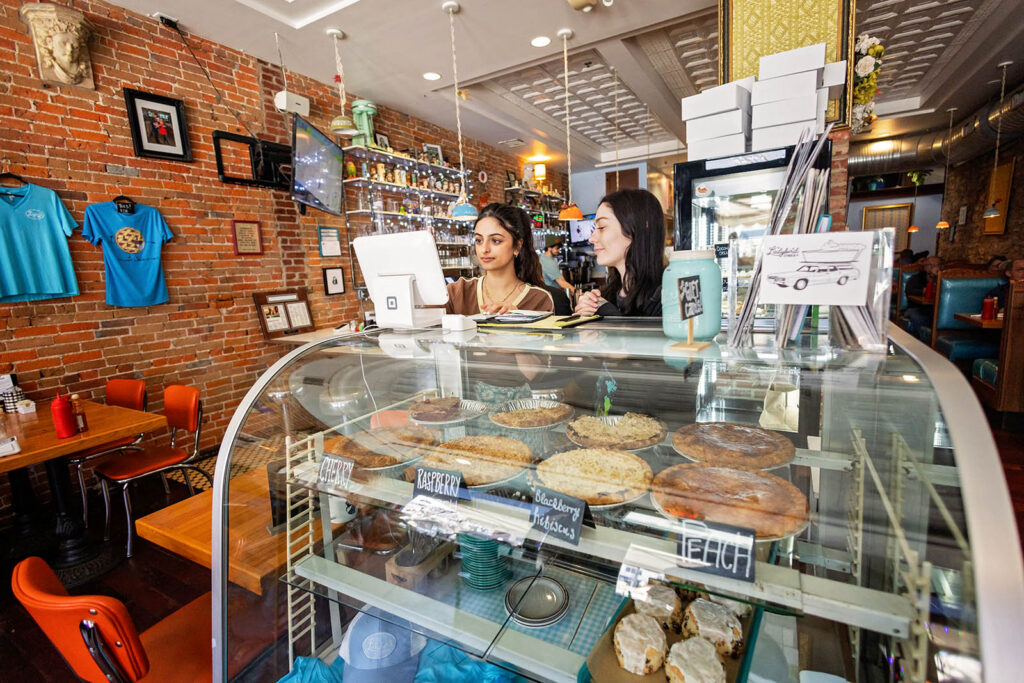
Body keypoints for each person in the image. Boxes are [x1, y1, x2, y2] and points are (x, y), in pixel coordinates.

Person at [444, 203, 553, 315]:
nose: (484, 249)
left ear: (517, 246)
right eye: (479, 240)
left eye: (496, 241)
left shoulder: (539, 299)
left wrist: (520, 318)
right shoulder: (456, 292)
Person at [574, 189, 665, 317]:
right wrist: (585, 316)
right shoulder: (607, 295)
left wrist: (605, 310)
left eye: (602, 227)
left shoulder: (667, 295)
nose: (591, 239)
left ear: (637, 228)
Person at [904, 256, 941, 333]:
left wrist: (936, 277)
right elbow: (909, 291)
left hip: (934, 310)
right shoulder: (916, 278)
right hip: (916, 308)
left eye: (937, 265)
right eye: (931, 265)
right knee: (917, 317)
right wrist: (924, 291)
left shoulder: (943, 281)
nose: (934, 268)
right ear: (925, 267)